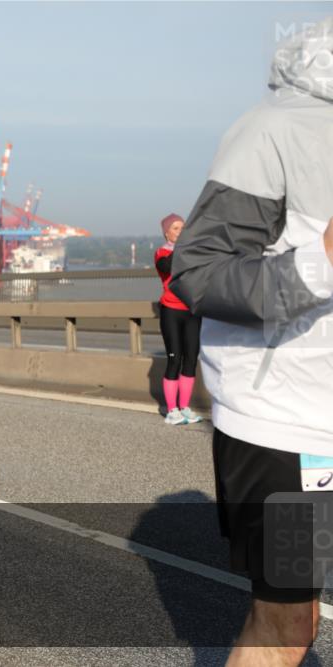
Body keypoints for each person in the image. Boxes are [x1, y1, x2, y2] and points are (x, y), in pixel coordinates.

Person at [171, 21, 333, 665]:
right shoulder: (276, 129)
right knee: (289, 621)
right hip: (293, 429)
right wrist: (322, 262)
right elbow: (199, 271)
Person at [154, 214, 203, 426]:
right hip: (171, 312)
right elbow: (167, 267)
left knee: (191, 360)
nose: (180, 232)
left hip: (191, 311)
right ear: (167, 233)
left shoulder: (192, 253)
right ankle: (172, 410)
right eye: (176, 228)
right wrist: (184, 248)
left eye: (183, 228)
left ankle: (184, 407)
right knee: (175, 360)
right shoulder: (162, 253)